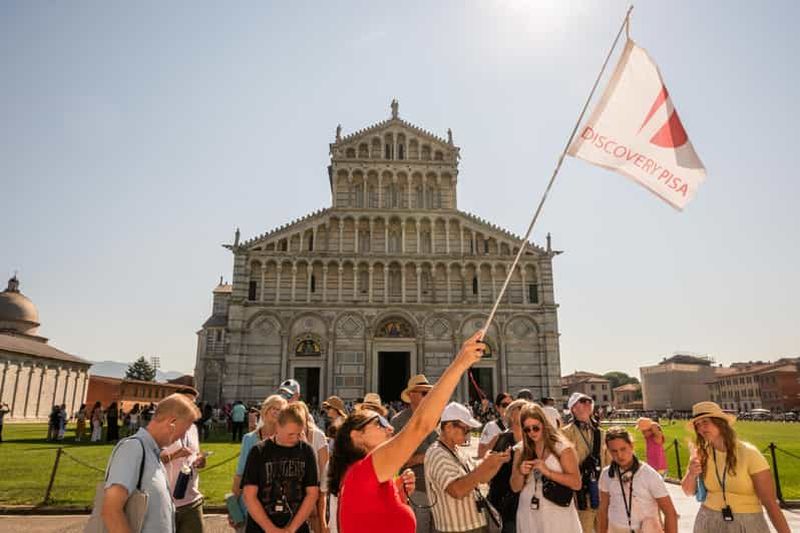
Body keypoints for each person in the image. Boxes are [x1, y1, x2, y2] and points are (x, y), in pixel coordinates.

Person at [329, 332, 485, 533]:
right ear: (356, 436)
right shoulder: (361, 473)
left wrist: (398, 493)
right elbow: (421, 425)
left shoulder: (369, 477)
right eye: (379, 423)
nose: (390, 427)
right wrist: (460, 363)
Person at [681, 401, 790, 533]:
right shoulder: (701, 454)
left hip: (747, 523)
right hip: (708, 521)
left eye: (705, 422)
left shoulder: (749, 453)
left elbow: (770, 502)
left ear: (720, 423)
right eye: (697, 425)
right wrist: (691, 474)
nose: (701, 428)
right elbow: (688, 491)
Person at [100, 393, 201, 532]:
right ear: (172, 422)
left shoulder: (152, 453)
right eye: (184, 430)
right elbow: (111, 511)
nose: (183, 436)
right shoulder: (133, 448)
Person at [425, 402, 510, 533]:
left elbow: (482, 478)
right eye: (466, 430)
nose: (468, 435)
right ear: (448, 427)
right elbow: (457, 490)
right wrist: (485, 465)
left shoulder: (456, 450)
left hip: (471, 526)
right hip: (457, 529)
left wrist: (496, 461)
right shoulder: (437, 454)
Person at [241, 402, 320, 533]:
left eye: (299, 434)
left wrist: (291, 529)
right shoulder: (259, 451)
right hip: (260, 528)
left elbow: (312, 494)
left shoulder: (306, 451)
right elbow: (249, 495)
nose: (295, 438)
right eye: (290, 434)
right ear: (278, 426)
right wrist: (270, 529)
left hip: (297, 528)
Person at [511, 403, 582, 533]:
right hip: (529, 513)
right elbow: (515, 487)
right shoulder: (521, 450)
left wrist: (548, 472)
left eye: (535, 428)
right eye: (527, 429)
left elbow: (576, 483)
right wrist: (521, 472)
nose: (531, 432)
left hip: (557, 513)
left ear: (544, 424)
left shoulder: (562, 448)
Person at [598, 427, 677, 533]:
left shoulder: (649, 474)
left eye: (623, 449)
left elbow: (670, 512)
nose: (619, 455)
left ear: (632, 445)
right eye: (614, 451)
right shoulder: (606, 474)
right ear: (608, 451)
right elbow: (603, 509)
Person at [231, 394, 288, 530]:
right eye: (273, 408)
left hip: (279, 506)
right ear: (265, 411)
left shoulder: (288, 439)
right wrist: (233, 507)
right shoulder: (249, 439)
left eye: (280, 410)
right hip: (251, 504)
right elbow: (240, 474)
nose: (276, 412)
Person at [390, 374, 438, 533]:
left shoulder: (436, 417)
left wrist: (422, 457)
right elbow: (396, 458)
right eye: (424, 393)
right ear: (411, 395)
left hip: (439, 485)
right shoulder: (398, 421)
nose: (427, 397)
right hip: (416, 487)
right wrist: (424, 457)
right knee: (420, 527)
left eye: (429, 393)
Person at [162, 388, 207, 533]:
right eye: (187, 402)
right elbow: (150, 460)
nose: (191, 406)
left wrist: (200, 460)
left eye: (193, 403)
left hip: (191, 499)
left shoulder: (193, 428)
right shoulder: (161, 427)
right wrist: (175, 455)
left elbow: (195, 454)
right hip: (164, 500)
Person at [562, 392, 607, 532]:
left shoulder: (601, 433)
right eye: (582, 401)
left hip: (601, 487)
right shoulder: (565, 433)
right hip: (580, 489)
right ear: (573, 408)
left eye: (589, 401)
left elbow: (608, 461)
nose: (587, 404)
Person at [485, 399, 528, 533]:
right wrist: (499, 461)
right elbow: (488, 470)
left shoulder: (534, 439)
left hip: (526, 503)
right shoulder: (502, 439)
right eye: (519, 408)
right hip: (505, 502)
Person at [478, 392, 512, 458]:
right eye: (505, 405)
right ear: (497, 407)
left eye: (511, 405)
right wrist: (496, 439)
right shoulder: (491, 426)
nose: (508, 408)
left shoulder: (523, 426)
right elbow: (481, 453)